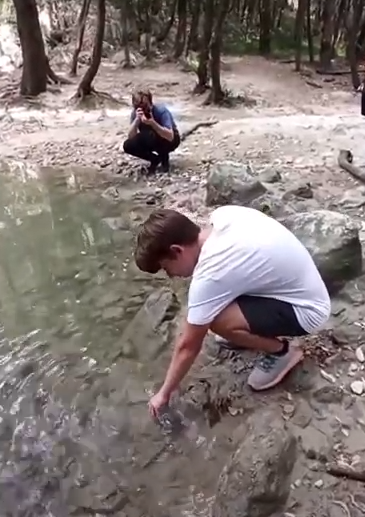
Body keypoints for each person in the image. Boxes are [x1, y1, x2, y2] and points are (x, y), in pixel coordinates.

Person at [134, 205, 331, 417]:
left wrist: (163, 393)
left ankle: (282, 352)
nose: (171, 275)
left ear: (176, 250)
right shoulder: (223, 216)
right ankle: (251, 333)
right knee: (210, 311)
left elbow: (188, 346)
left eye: (166, 268)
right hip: (300, 286)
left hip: (308, 310)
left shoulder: (211, 274)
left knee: (217, 322)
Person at [123, 89, 180, 175]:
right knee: (128, 145)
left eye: (145, 106)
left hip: (169, 139)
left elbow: (170, 136)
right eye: (138, 106)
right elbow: (131, 137)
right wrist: (136, 121)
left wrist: (153, 123)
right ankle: (154, 159)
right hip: (150, 138)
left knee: (153, 135)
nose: (142, 109)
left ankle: (164, 159)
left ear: (150, 103)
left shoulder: (161, 111)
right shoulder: (135, 113)